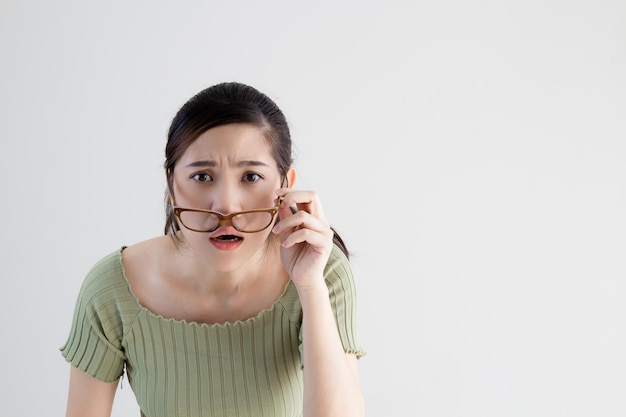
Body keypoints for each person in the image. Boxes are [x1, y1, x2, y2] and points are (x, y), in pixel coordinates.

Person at [60, 81, 366, 417]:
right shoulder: (112, 289)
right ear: (170, 186)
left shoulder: (321, 270)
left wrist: (309, 287)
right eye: (203, 177)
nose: (225, 205)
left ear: (285, 186)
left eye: (250, 177)